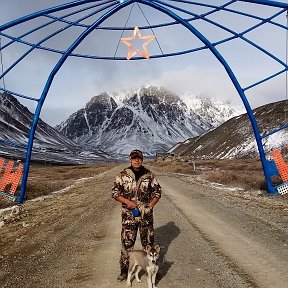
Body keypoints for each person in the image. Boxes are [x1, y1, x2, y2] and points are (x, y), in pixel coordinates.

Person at [112, 149, 162, 282]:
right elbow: (115, 193)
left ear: (142, 159)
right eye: (134, 158)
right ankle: (124, 271)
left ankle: (151, 268)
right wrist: (128, 202)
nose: (136, 160)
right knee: (127, 244)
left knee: (149, 244)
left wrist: (150, 206)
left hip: (146, 217)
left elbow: (157, 192)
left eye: (139, 158)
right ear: (130, 159)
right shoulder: (122, 175)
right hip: (129, 217)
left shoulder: (149, 175)